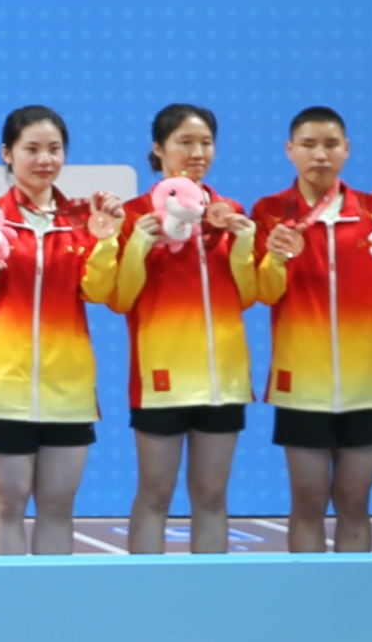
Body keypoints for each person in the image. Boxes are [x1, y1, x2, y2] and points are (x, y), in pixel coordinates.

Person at [0, 105, 118, 555]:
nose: (45, 159)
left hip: (69, 389)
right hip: (4, 387)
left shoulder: (81, 220)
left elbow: (99, 291)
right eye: (32, 149)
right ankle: (3, 598)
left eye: (55, 149)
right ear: (7, 153)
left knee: (58, 507)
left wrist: (107, 240)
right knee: (6, 503)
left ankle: (51, 600)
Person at [106, 102, 262, 554]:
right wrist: (139, 243)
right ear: (158, 149)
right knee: (155, 494)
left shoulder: (229, 212)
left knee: (212, 497)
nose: (197, 153)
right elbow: (120, 299)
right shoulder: (135, 215)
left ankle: (210, 594)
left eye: (206, 142)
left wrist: (244, 243)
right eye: (185, 142)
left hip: (223, 381)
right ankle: (145, 591)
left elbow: (247, 295)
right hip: (161, 381)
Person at [252, 107, 372, 554]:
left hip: (367, 387)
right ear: (289, 150)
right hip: (302, 388)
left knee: (355, 503)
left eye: (331, 145)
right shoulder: (270, 212)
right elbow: (264, 291)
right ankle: (307, 595)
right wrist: (276, 258)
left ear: (347, 149)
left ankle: (354, 596)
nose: (320, 155)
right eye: (309, 145)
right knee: (308, 503)